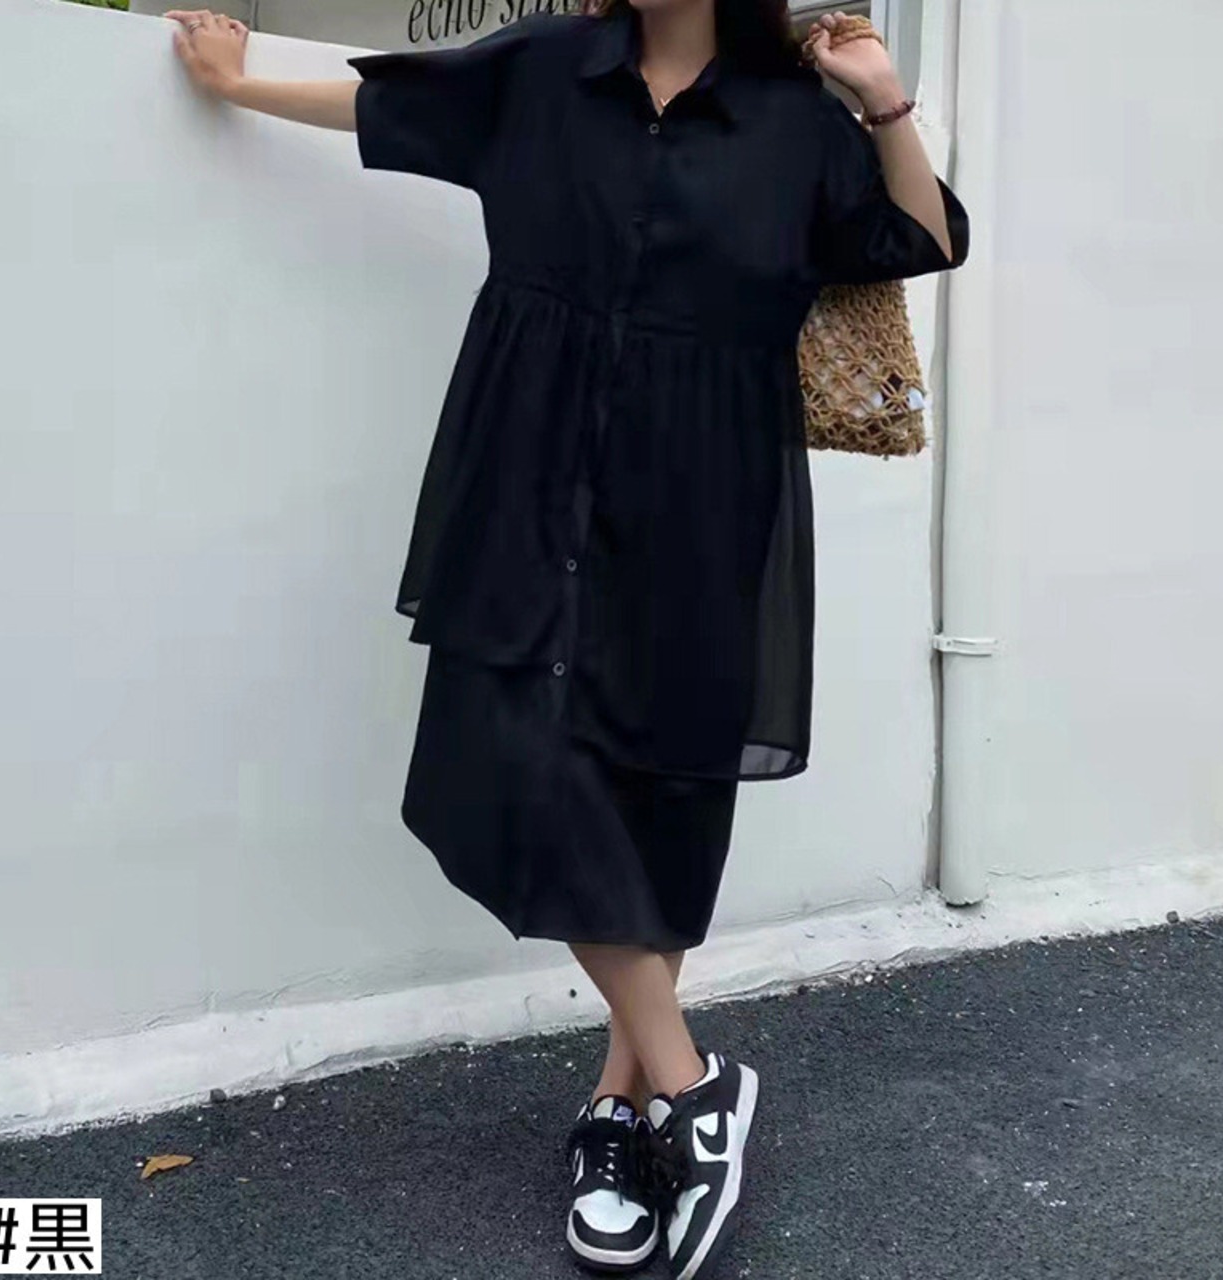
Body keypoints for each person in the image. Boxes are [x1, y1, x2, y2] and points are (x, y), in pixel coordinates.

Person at [165, 2, 968, 1275]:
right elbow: (391, 107)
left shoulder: (792, 120)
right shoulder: (547, 68)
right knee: (503, 767)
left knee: (660, 793)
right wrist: (237, 84)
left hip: (702, 502)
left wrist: (880, 98)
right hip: (525, 474)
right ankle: (694, 1086)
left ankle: (617, 1113)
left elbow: (922, 238)